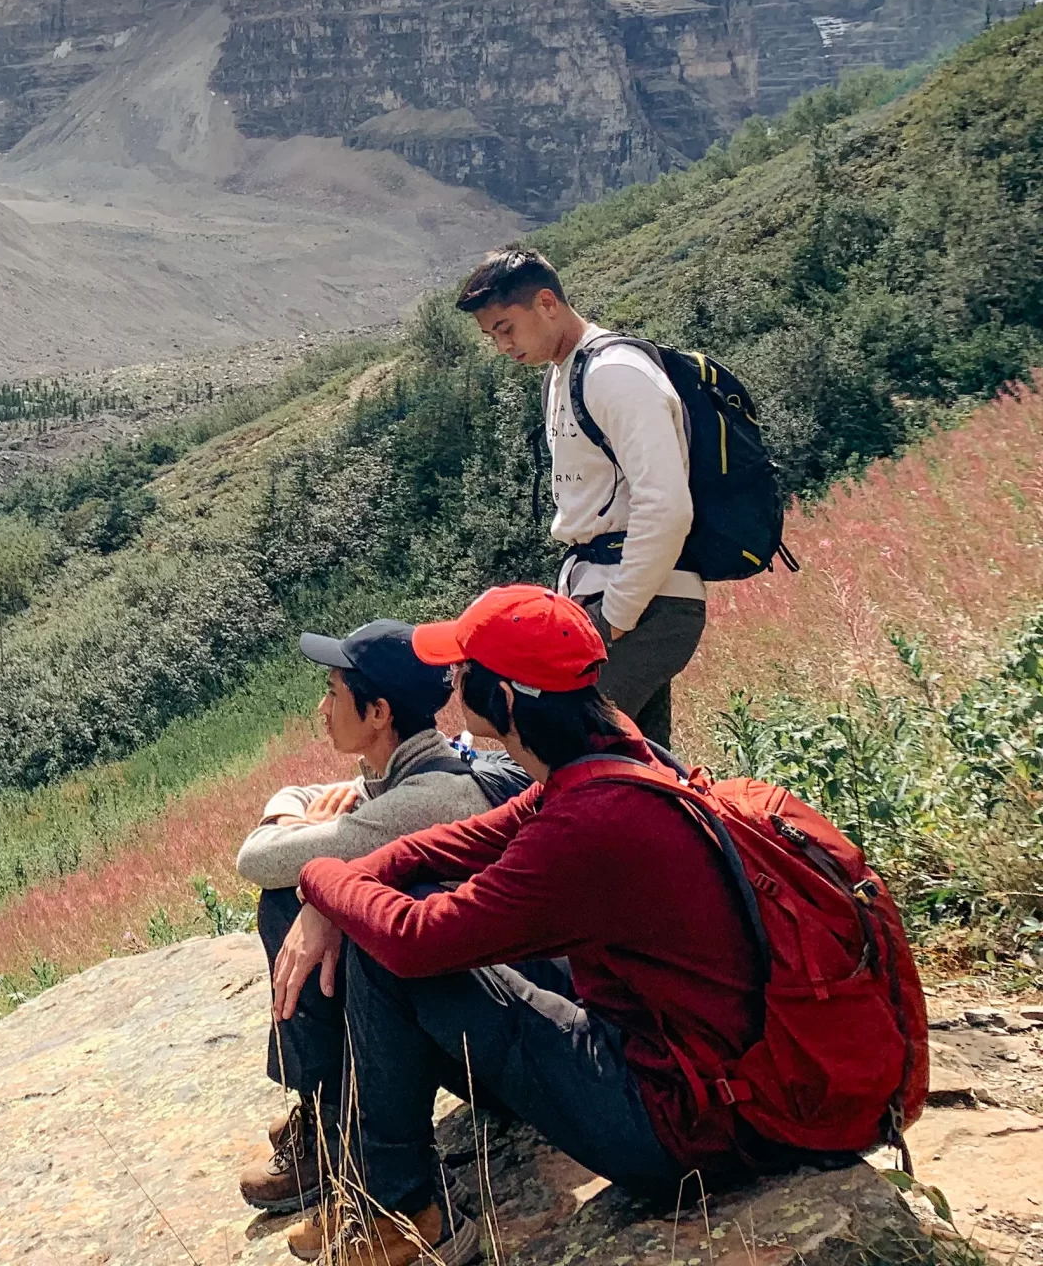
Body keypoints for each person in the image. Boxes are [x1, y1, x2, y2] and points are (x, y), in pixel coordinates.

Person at [272, 587, 783, 1266]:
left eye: (465, 672)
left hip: (677, 1127)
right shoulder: (612, 758)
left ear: (506, 702)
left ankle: (398, 1210)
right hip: (686, 1059)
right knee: (385, 904)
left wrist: (321, 881)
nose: (452, 684)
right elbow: (455, 844)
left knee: (386, 946)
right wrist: (341, 883)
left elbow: (419, 942)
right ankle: (378, 1189)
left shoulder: (587, 825)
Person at [233, 620, 491, 1214]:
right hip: (448, 1019)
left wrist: (287, 829)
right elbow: (298, 791)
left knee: (289, 896)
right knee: (312, 889)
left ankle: (334, 1134)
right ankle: (328, 1117)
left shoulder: (425, 800)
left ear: (377, 713)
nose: (322, 708)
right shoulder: (399, 775)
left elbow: (257, 859)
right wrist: (294, 816)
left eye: (333, 692)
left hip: (479, 1048)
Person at [455, 245, 705, 747]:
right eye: (491, 336)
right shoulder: (564, 373)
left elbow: (666, 504)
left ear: (547, 302)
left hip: (646, 601)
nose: (502, 346)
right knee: (636, 772)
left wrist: (614, 617)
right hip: (617, 595)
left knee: (561, 753)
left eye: (506, 328)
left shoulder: (614, 372)